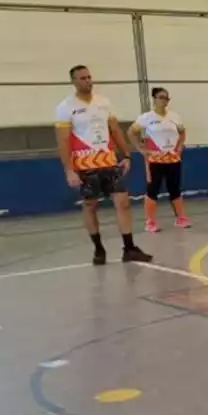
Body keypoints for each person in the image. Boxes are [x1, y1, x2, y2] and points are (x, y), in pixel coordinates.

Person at [54, 65, 152, 265]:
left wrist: (126, 155)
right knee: (90, 205)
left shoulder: (104, 102)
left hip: (108, 161)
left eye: (89, 77)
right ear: (73, 81)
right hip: (84, 164)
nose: (87, 81)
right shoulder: (65, 107)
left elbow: (115, 130)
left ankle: (129, 247)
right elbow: (63, 141)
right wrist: (69, 170)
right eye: (82, 78)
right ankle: (98, 249)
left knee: (123, 202)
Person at [129, 86, 190, 233]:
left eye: (167, 98)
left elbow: (182, 132)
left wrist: (180, 145)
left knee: (175, 188)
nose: (165, 100)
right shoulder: (147, 118)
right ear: (154, 99)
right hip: (155, 159)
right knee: (153, 189)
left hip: (173, 158)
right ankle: (150, 221)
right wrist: (140, 149)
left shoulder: (175, 116)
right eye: (161, 97)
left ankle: (180, 217)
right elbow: (131, 132)